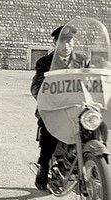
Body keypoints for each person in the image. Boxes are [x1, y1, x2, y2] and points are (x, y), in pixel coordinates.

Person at [30, 25, 90, 190]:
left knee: (96, 123)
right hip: (54, 107)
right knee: (49, 127)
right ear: (55, 43)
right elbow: (37, 86)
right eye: (62, 42)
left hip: (79, 107)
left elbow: (93, 82)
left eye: (69, 41)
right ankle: (44, 167)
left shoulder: (82, 60)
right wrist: (46, 96)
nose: (66, 46)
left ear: (73, 42)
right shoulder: (45, 62)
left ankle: (93, 162)